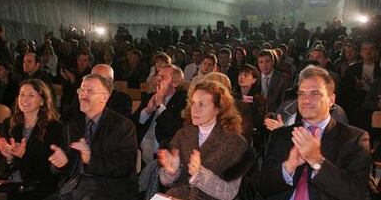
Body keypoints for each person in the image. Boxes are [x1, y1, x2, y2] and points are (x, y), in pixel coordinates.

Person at [259, 65, 370, 200]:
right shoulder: (281, 135)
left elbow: (356, 194)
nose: (305, 100)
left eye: (315, 93)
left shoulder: (354, 139)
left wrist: (317, 161)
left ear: (331, 100)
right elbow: (262, 187)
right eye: (301, 94)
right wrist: (288, 167)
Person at [49, 74, 138, 200]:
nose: (83, 95)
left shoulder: (122, 125)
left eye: (89, 91)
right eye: (81, 90)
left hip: (105, 189)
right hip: (71, 188)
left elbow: (126, 165)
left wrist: (90, 159)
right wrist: (62, 163)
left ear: (104, 97)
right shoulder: (72, 123)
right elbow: (67, 166)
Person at [158, 80, 248, 200]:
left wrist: (199, 174)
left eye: (202, 104)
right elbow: (166, 182)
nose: (194, 109)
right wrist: (171, 173)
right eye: (193, 103)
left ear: (218, 108)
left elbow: (229, 192)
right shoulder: (183, 134)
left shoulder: (236, 143)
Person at [0, 79, 62, 200]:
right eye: (22, 94)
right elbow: (2, 166)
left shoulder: (54, 127)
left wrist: (24, 155)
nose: (24, 99)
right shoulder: (9, 123)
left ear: (42, 101)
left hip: (38, 186)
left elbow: (49, 170)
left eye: (31, 95)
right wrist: (9, 158)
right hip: (11, 183)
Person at [133, 64, 186, 164]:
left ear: (175, 83)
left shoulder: (183, 101)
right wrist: (147, 111)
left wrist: (160, 106)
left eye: (163, 77)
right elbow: (132, 125)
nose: (158, 79)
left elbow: (175, 130)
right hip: (138, 152)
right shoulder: (148, 97)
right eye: (158, 75)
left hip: (163, 155)